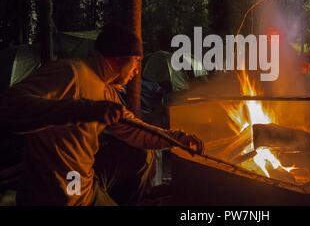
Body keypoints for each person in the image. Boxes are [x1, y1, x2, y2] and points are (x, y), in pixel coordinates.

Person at [0, 23, 203, 205]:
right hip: (56, 194)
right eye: (136, 60)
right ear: (118, 57)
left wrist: (177, 139)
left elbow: (134, 131)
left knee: (141, 154)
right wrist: (82, 110)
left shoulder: (106, 90)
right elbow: (10, 105)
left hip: (83, 185)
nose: (136, 69)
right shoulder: (71, 73)